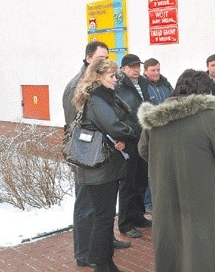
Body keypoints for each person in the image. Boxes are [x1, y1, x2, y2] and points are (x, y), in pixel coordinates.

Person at [138, 69, 215, 272]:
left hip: (165, 193)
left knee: (169, 244)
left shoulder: (155, 118)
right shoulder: (210, 117)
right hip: (202, 196)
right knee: (202, 248)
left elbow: (143, 150)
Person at [62, 41, 130, 268]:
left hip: (100, 158)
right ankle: (86, 255)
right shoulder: (82, 89)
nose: (115, 78)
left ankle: (100, 255)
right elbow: (81, 126)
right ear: (90, 60)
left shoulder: (98, 91)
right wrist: (118, 136)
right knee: (89, 210)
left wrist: (112, 141)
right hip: (89, 160)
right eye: (102, 58)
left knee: (101, 215)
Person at [72, 58, 138, 272]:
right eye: (111, 76)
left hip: (101, 167)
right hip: (99, 169)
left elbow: (108, 128)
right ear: (98, 77)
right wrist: (131, 134)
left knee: (104, 217)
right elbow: (115, 126)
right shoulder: (97, 99)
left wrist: (118, 136)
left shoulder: (99, 97)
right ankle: (102, 264)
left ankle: (104, 261)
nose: (115, 79)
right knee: (103, 218)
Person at [115, 54, 152, 239]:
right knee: (128, 184)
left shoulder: (144, 82)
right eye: (131, 66)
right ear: (123, 69)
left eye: (137, 65)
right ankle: (125, 223)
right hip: (129, 139)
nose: (135, 69)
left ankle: (138, 216)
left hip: (144, 137)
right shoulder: (119, 86)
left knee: (141, 180)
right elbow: (119, 114)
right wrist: (122, 135)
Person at [141, 58, 173, 214]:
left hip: (167, 130)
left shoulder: (166, 85)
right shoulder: (143, 87)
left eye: (158, 70)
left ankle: (161, 200)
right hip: (151, 131)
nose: (156, 73)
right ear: (145, 71)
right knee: (151, 168)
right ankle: (148, 202)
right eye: (153, 70)